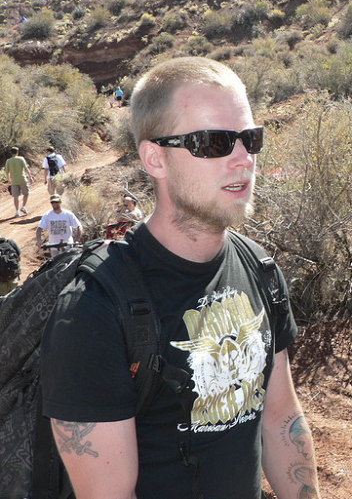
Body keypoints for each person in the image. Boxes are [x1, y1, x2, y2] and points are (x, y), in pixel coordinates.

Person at [40, 57, 321, 499]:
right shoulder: (93, 310)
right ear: (155, 158)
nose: (244, 158)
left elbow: (279, 417)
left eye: (250, 138)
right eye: (213, 142)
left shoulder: (260, 267)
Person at [3, 146, 34, 217]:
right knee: (26, 193)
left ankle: (17, 212)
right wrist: (30, 177)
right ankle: (23, 206)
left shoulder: (8, 161)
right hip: (22, 179)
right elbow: (26, 168)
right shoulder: (21, 159)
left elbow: (7, 172)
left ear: (11, 153)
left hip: (14, 180)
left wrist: (9, 180)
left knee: (15, 196)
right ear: (17, 152)